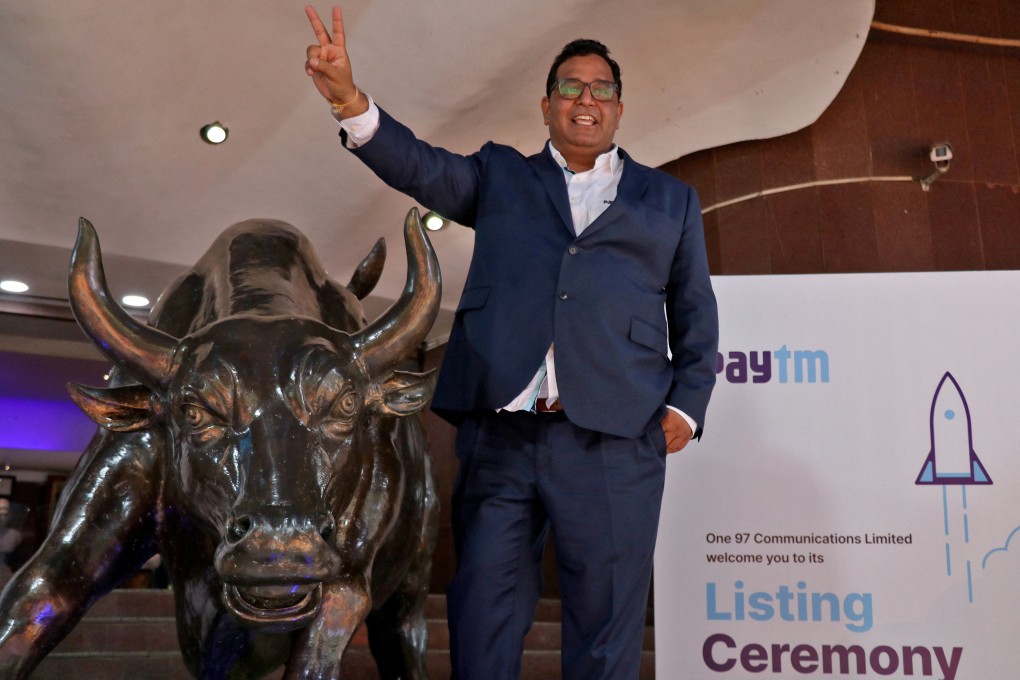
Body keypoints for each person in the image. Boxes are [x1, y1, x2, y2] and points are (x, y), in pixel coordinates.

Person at [304, 7, 719, 679]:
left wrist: (688, 405)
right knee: (483, 612)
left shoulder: (670, 200)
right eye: (571, 87)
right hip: (502, 438)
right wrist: (350, 101)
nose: (586, 99)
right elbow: (419, 166)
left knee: (607, 622)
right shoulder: (501, 174)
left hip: (615, 441)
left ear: (618, 107)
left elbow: (695, 312)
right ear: (547, 104)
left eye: (601, 88)